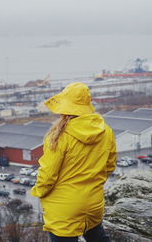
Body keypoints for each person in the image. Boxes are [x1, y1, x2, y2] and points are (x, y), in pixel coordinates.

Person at [31, 82, 116, 242]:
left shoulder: (58, 136)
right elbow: (110, 165)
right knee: (97, 236)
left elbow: (48, 175)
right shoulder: (106, 130)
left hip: (63, 207)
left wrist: (39, 192)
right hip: (93, 203)